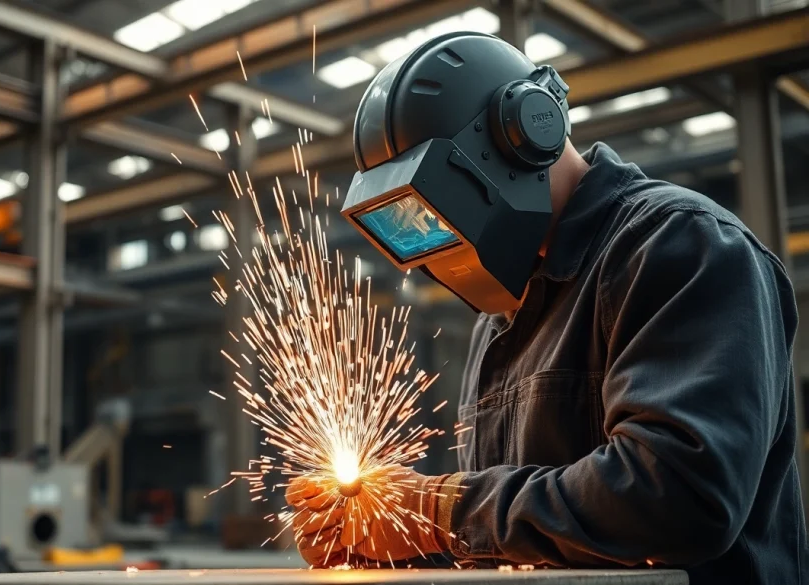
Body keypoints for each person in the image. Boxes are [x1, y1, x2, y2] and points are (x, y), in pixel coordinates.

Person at [286, 32, 809, 584]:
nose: (435, 246)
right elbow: (523, 536)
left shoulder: (680, 246)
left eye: (434, 209)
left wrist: (438, 512)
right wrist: (392, 534)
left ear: (524, 132)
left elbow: (680, 497)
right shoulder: (500, 322)